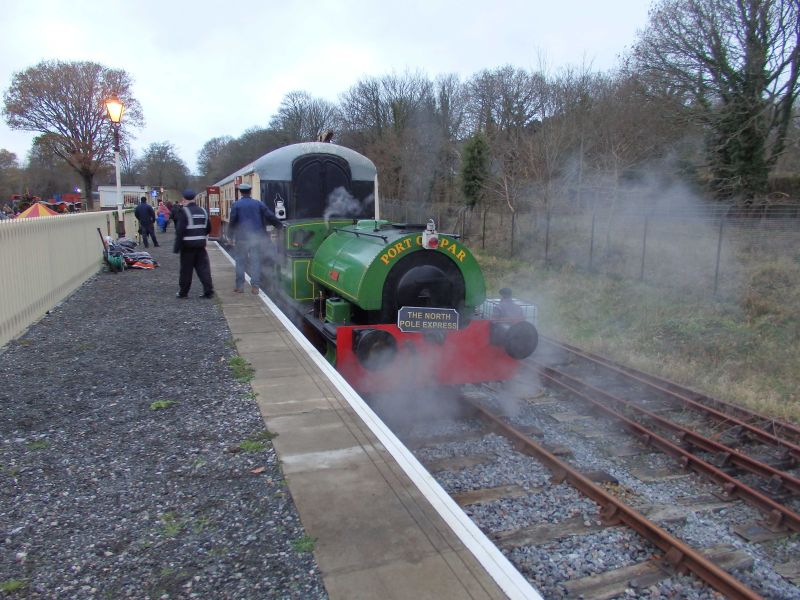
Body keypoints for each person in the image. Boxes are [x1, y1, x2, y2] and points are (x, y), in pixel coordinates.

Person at [228, 182, 283, 294]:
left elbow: (232, 221)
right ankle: (255, 286)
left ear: (241, 192)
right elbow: (270, 215)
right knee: (256, 261)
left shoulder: (236, 205)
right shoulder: (258, 204)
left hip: (241, 238)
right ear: (250, 191)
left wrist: (230, 236)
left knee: (240, 262)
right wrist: (279, 225)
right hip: (256, 238)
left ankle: (239, 287)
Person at [173, 189, 214, 299]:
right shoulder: (203, 211)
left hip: (187, 247)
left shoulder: (184, 211)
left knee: (186, 271)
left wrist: (176, 247)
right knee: (203, 269)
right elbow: (208, 228)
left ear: (184, 199)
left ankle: (183, 292)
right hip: (201, 246)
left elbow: (180, 231)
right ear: (195, 198)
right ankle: (208, 291)